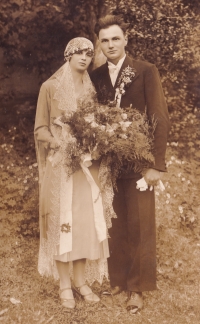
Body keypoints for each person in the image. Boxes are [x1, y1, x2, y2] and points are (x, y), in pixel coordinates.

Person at [90, 15, 170, 313]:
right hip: (110, 164)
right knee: (115, 223)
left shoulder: (145, 71)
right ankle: (118, 279)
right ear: (100, 43)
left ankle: (137, 287)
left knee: (140, 225)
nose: (110, 44)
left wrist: (156, 166)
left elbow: (159, 117)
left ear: (126, 40)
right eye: (105, 40)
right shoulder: (96, 76)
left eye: (115, 38)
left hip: (139, 163)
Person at [34, 37, 110, 310]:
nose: (84, 57)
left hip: (86, 168)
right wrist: (60, 142)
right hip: (61, 167)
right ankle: (64, 284)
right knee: (61, 223)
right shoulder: (50, 87)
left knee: (83, 224)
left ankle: (81, 281)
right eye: (78, 52)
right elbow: (40, 129)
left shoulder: (93, 90)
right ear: (67, 56)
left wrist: (96, 142)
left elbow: (98, 125)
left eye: (89, 53)